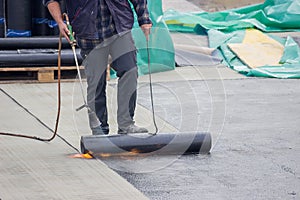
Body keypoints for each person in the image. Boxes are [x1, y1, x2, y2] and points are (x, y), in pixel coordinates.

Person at [44, 0, 152, 135]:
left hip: (119, 27)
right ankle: (99, 128)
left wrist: (144, 19)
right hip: (89, 33)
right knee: (96, 82)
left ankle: (126, 124)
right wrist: (60, 22)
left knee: (129, 70)